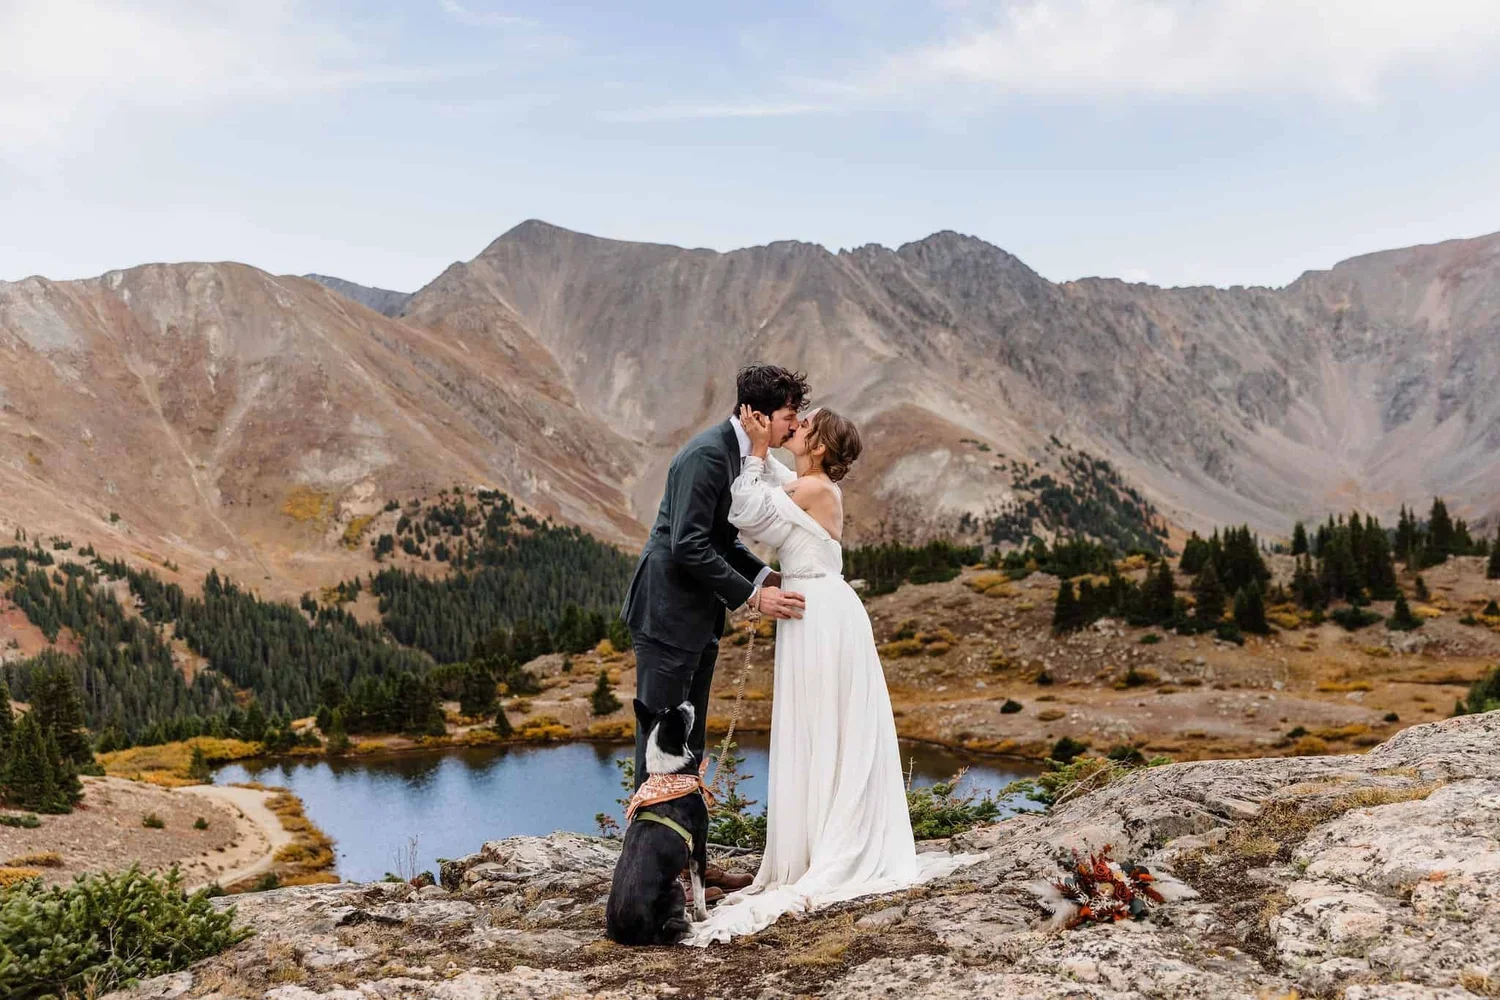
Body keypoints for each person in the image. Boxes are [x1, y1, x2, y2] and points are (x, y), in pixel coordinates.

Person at [683, 404, 981, 945]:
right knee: (815, 723)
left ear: (819, 446)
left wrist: (755, 449)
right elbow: (772, 484)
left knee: (824, 721)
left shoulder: (817, 489)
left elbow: (745, 511)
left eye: (805, 425)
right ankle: (817, 837)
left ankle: (831, 844)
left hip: (819, 611)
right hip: (809, 608)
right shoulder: (807, 482)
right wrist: (762, 449)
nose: (795, 427)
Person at [620, 364, 811, 901]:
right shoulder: (707, 456)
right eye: (786, 418)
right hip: (665, 614)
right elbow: (688, 545)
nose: (791, 428)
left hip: (697, 615)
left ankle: (694, 867)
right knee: (658, 754)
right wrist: (753, 597)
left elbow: (721, 543)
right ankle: (647, 880)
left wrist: (766, 576)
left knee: (692, 746)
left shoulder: (738, 455)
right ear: (755, 415)